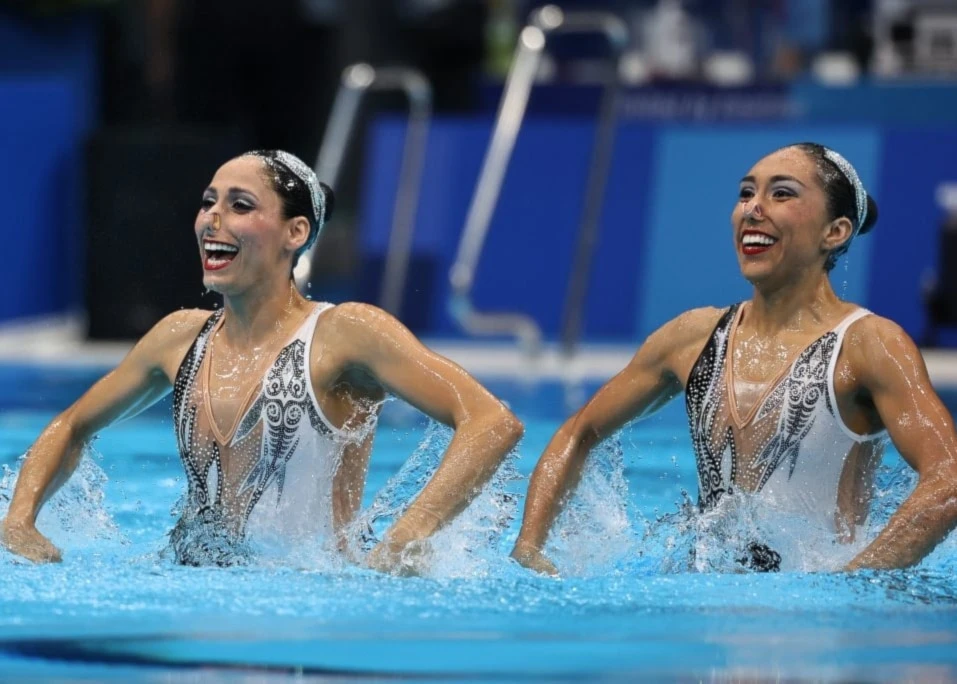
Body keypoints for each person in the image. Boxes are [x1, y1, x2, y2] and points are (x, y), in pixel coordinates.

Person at [1, 150, 523, 570]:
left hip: (312, 601)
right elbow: (72, 425)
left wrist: (406, 537)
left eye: (240, 205)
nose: (212, 219)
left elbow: (492, 422)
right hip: (191, 587)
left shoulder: (344, 333)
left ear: (295, 233)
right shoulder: (179, 338)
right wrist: (19, 521)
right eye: (208, 202)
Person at [511, 142, 957, 574]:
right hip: (707, 605)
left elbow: (948, 480)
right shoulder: (691, 337)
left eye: (781, 193)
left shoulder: (869, 344)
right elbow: (579, 430)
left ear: (835, 232)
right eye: (746, 193)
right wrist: (530, 548)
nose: (752, 208)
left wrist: (851, 584)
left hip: (810, 627)